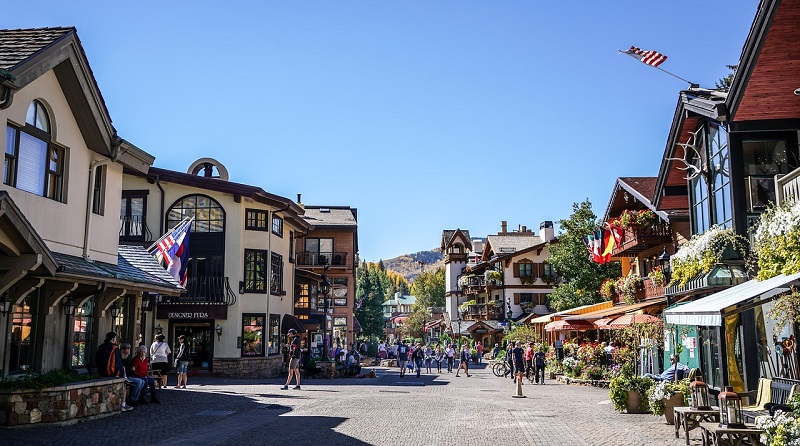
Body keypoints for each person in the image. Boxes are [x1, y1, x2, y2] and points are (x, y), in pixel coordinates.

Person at [96, 332, 133, 412]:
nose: (116, 339)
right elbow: (117, 363)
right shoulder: (115, 348)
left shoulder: (101, 347)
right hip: (112, 373)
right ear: (113, 339)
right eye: (115, 338)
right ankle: (123, 404)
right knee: (124, 386)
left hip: (101, 372)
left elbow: (98, 360)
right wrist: (118, 373)